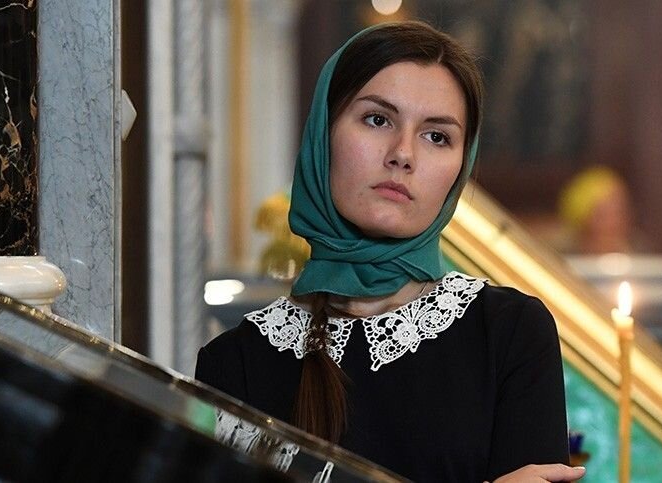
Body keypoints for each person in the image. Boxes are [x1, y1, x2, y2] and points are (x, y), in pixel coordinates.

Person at [196, 21, 584, 483]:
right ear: (323, 133)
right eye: (378, 119)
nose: (403, 154)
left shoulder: (508, 333)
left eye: (436, 136)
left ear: (461, 166)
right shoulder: (237, 362)